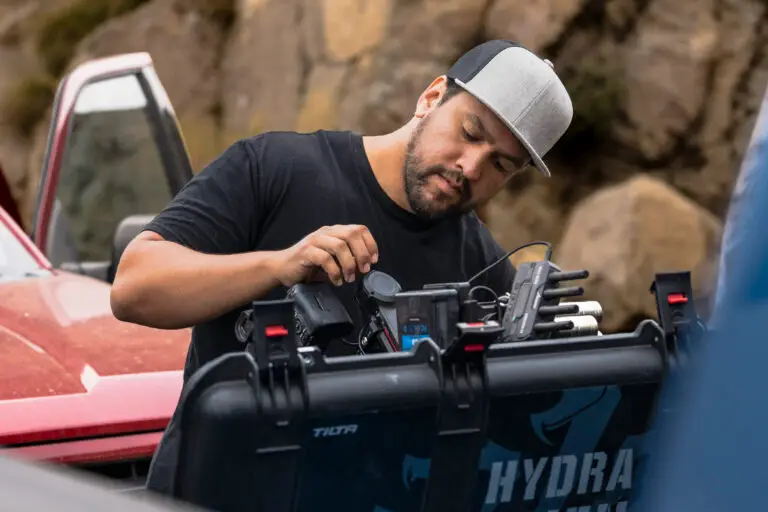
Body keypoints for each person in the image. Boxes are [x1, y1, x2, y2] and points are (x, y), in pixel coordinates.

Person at [110, 39, 574, 495]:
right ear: (431, 97)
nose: (470, 168)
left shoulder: (484, 267)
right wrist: (279, 265)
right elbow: (134, 287)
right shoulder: (275, 167)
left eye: (501, 165)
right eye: (470, 133)